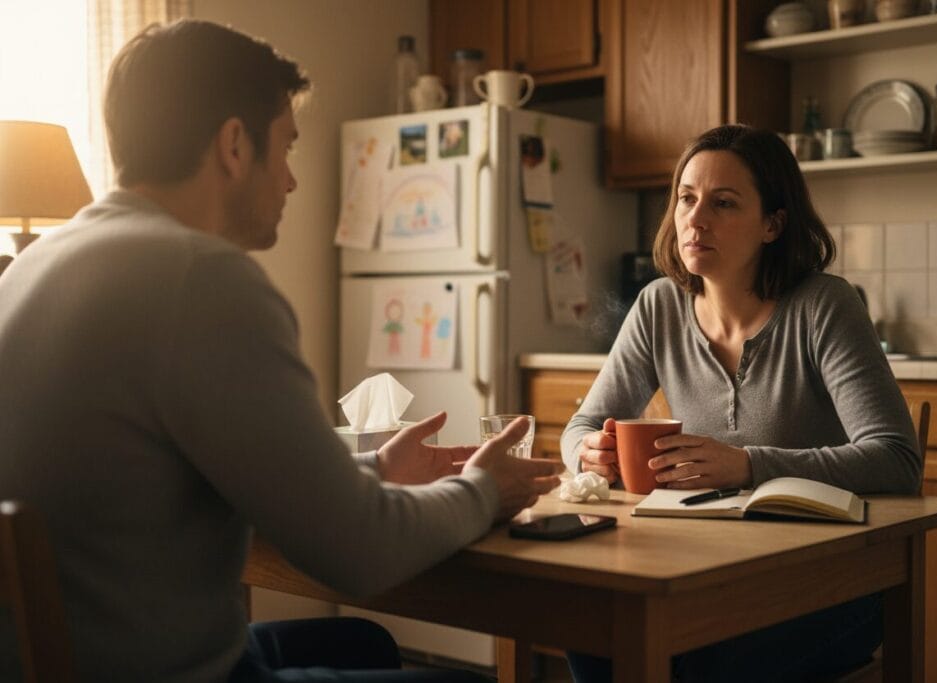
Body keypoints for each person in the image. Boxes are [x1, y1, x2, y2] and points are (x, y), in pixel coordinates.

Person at [0, 19, 562, 683]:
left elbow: (196, 465)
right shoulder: (200, 276)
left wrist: (374, 467)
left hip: (78, 655)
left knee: (364, 642)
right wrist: (482, 490)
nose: (293, 181)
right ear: (235, 145)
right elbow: (359, 552)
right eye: (287, 148)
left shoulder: (37, 265)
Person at [561, 124, 921, 682]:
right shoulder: (659, 305)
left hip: (832, 582)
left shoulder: (824, 305)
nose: (694, 218)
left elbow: (896, 459)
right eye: (686, 198)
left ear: (773, 224)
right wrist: (587, 452)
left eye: (723, 203)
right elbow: (582, 424)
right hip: (704, 571)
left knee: (690, 664)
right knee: (591, 630)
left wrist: (748, 464)